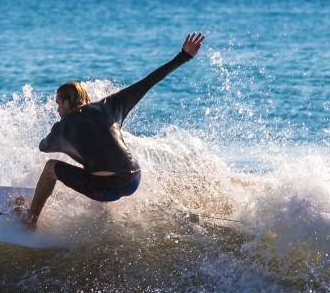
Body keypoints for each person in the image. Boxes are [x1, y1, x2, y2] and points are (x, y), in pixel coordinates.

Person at [17, 32, 205, 227]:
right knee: (104, 152)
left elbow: (43, 147)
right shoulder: (111, 104)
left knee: (50, 168)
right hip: (132, 179)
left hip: (103, 189)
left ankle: (30, 220)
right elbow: (149, 81)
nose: (57, 109)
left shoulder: (62, 128)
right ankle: (105, 217)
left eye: (58, 104)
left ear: (66, 102)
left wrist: (53, 134)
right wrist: (184, 55)